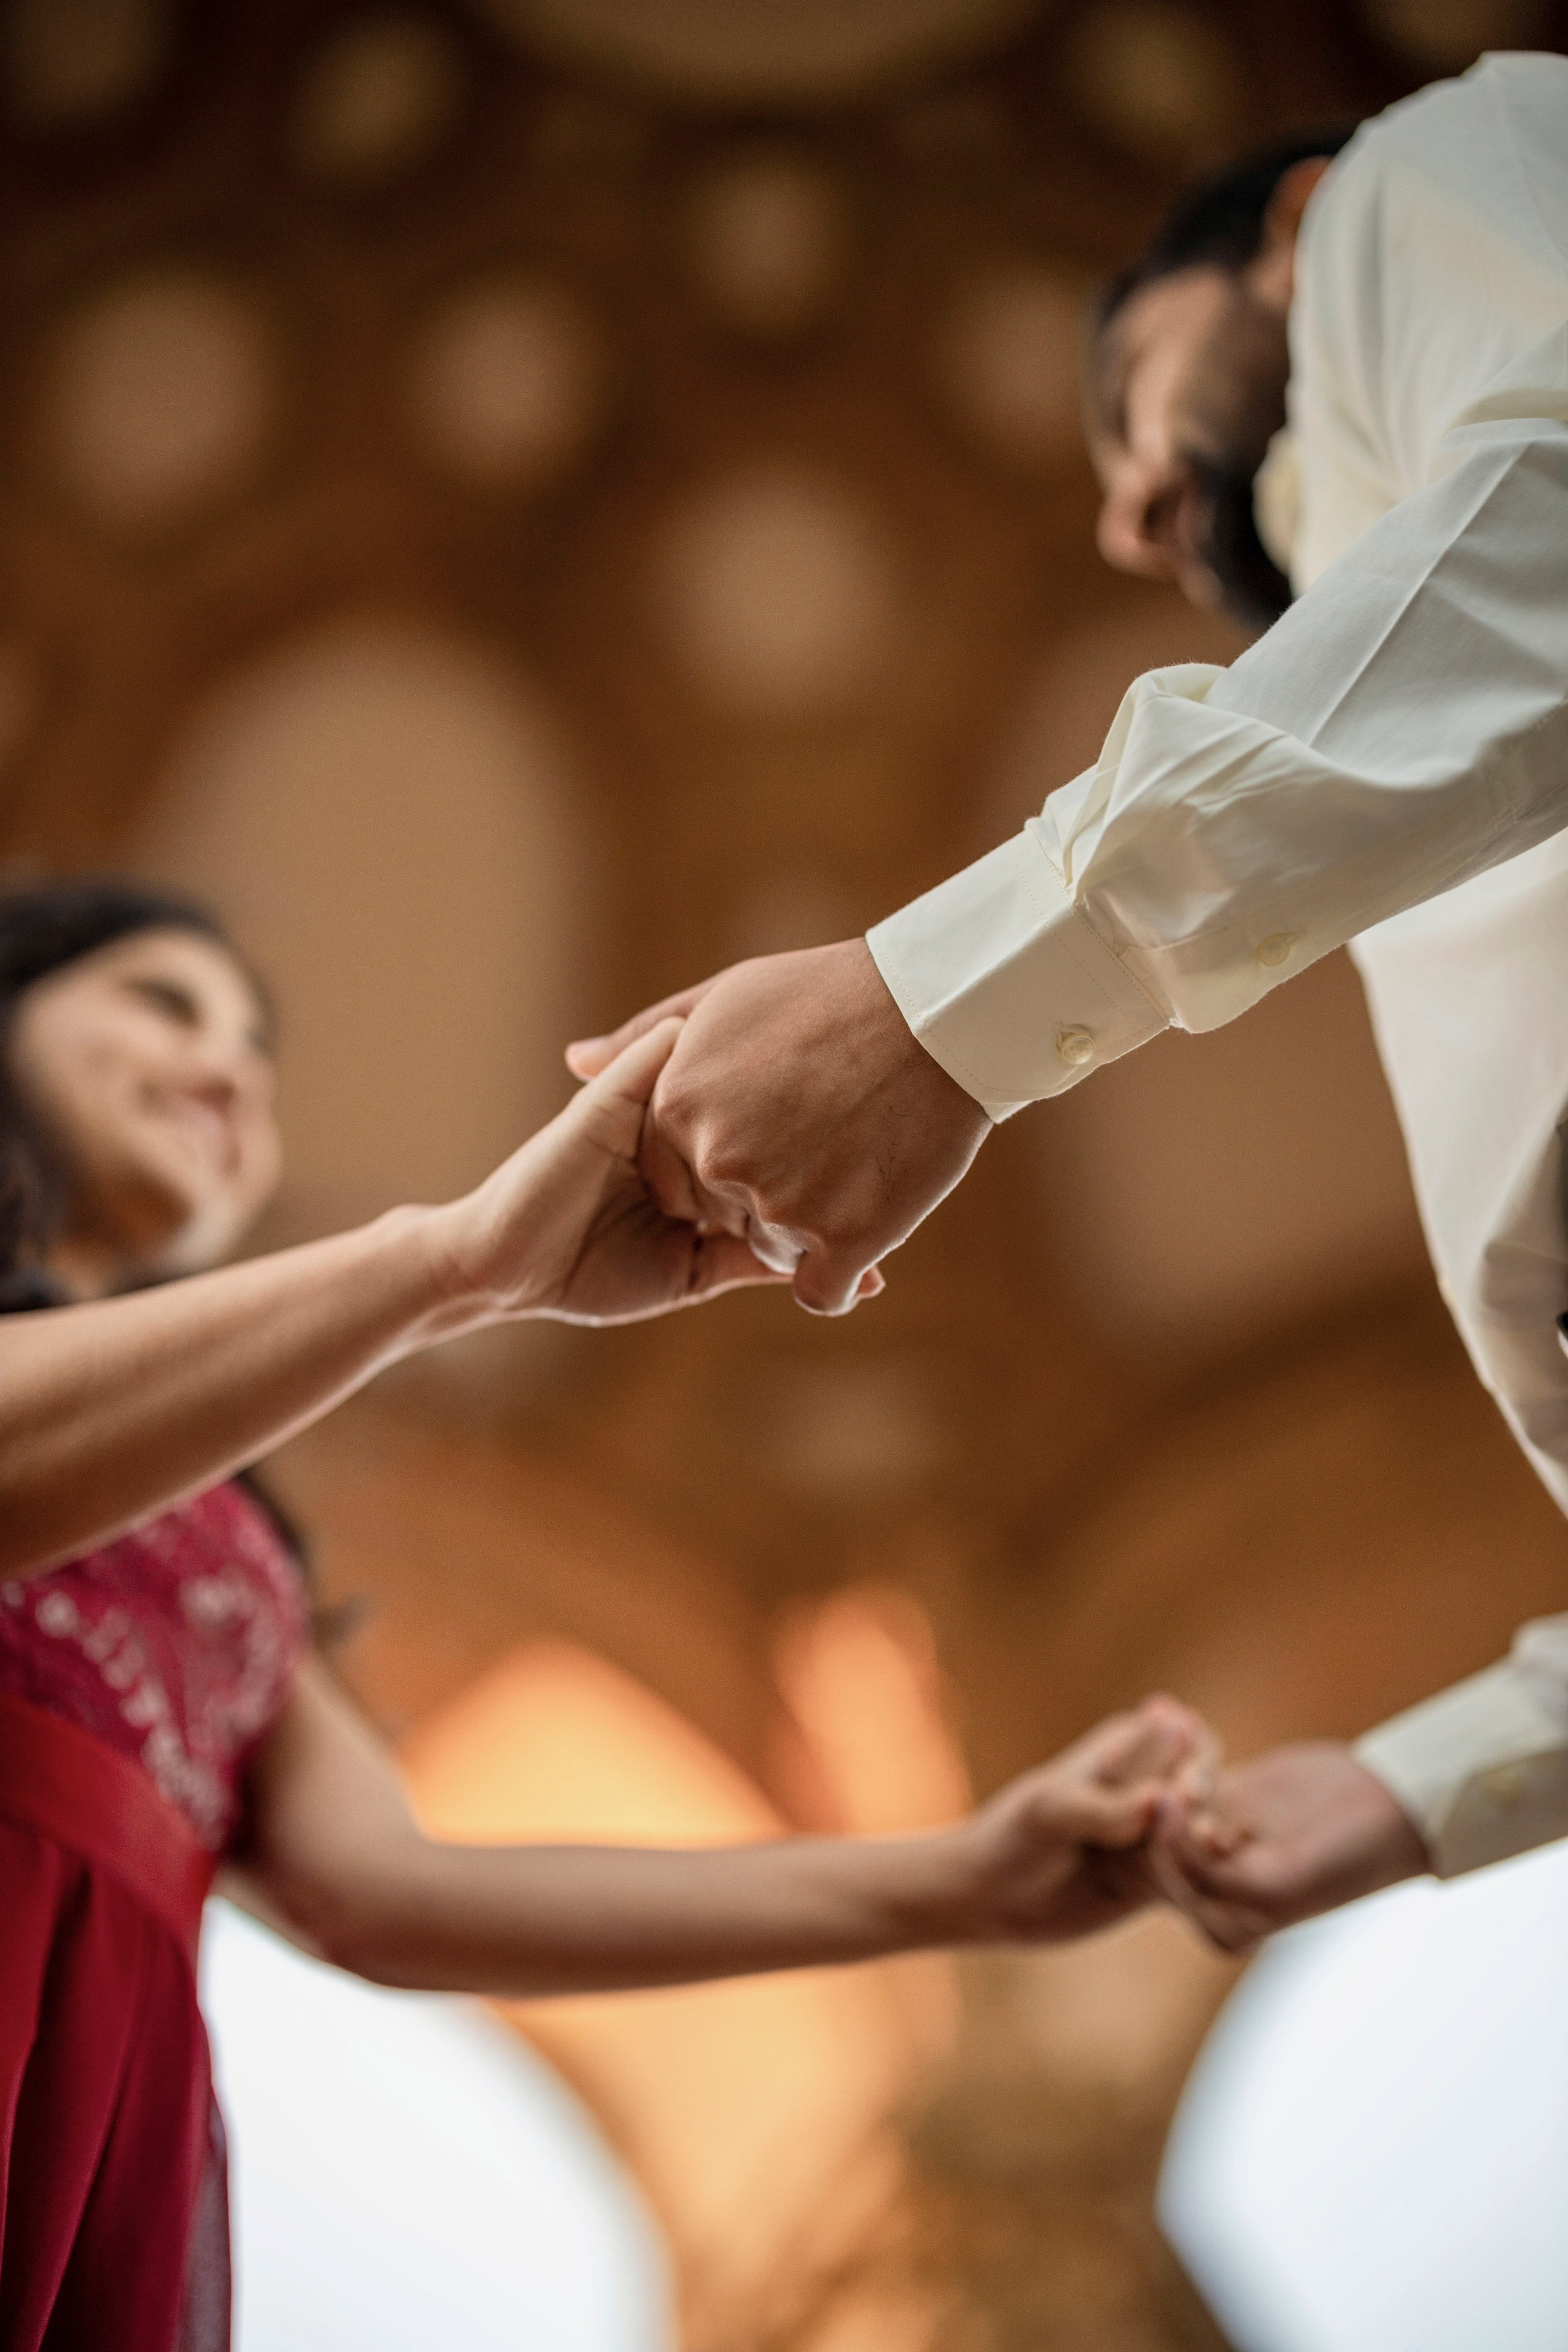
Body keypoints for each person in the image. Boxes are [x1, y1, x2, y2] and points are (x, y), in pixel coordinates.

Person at [567, 53, 1568, 1950]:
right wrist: (1427, 1779)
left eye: (1130, 394)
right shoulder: (1412, 722)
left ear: (1287, 228)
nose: (1124, 515)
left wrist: (944, 1005)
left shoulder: (1428, 171)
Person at [0, 878, 1207, 2352]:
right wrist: (460, 1264)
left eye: (255, 1047)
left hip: (100, 2114)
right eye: (161, 1002)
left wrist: (964, 1881)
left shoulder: (232, 1533)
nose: (230, 1068)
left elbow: (389, 1893)